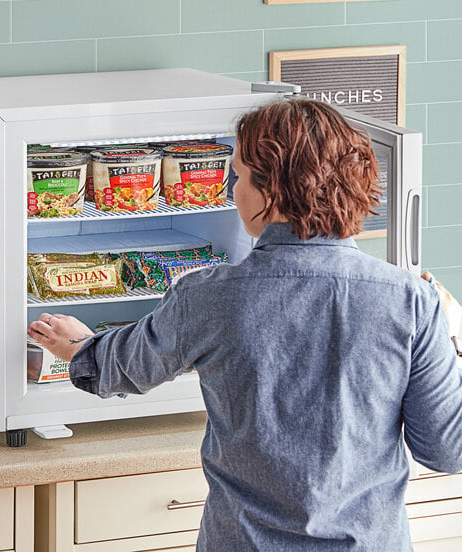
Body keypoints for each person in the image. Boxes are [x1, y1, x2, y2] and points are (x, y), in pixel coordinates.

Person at [28, 99, 462, 551]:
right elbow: (447, 450)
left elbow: (116, 369)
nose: (232, 189)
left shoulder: (209, 294)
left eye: (238, 175)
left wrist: (81, 345)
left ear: (268, 190)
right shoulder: (411, 299)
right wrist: (449, 345)